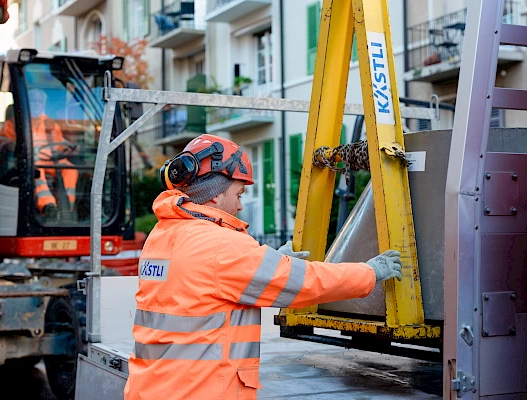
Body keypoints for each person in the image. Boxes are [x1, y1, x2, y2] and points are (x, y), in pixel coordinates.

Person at [124, 134, 403, 400]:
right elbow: (305, 282)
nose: (240, 205)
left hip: (154, 387)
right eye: (240, 194)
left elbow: (207, 283)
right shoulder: (221, 246)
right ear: (214, 196)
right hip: (199, 390)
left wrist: (267, 260)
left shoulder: (161, 236)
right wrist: (369, 272)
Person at [28, 88, 79, 220]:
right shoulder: (18, 122)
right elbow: (1, 141)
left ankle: (67, 207)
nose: (37, 104)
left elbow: (59, 142)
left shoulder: (50, 123)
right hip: (30, 162)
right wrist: (11, 144)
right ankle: (48, 206)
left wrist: (69, 146)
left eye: (40, 101)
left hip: (50, 161)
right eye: (34, 101)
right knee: (37, 171)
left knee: (70, 169)